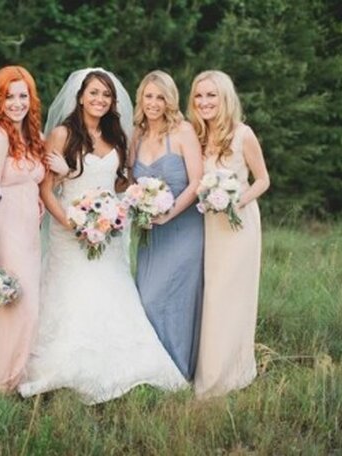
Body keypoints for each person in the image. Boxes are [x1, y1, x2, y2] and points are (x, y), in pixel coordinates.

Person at [18, 68, 187, 404]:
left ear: (113, 102)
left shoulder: (116, 137)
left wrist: (138, 200)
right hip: (70, 232)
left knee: (111, 293)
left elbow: (118, 183)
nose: (100, 100)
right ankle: (63, 370)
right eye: (93, 93)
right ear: (80, 96)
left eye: (106, 95)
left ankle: (119, 366)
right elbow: (47, 191)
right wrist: (71, 222)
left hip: (107, 231)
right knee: (73, 295)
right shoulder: (63, 134)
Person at [188, 70, 270, 398]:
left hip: (237, 224)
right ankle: (211, 369)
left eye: (212, 96)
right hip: (207, 224)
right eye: (198, 96)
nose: (205, 102)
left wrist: (236, 201)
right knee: (209, 297)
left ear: (225, 99)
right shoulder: (194, 134)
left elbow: (263, 179)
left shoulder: (242, 134)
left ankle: (221, 380)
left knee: (228, 297)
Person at [130, 70, 204, 381]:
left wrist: (169, 212)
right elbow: (127, 179)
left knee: (171, 298)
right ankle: (152, 372)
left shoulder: (183, 131)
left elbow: (197, 181)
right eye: (148, 96)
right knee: (145, 299)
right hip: (151, 232)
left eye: (161, 97)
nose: (154, 103)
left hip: (184, 227)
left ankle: (176, 372)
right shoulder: (136, 134)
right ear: (141, 99)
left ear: (170, 100)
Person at [0, 66, 45, 392]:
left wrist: (38, 199)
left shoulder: (29, 134)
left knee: (29, 306)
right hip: (6, 230)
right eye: (10, 96)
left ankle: (19, 375)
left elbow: (32, 180)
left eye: (23, 95)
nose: (17, 103)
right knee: (17, 304)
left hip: (30, 232)